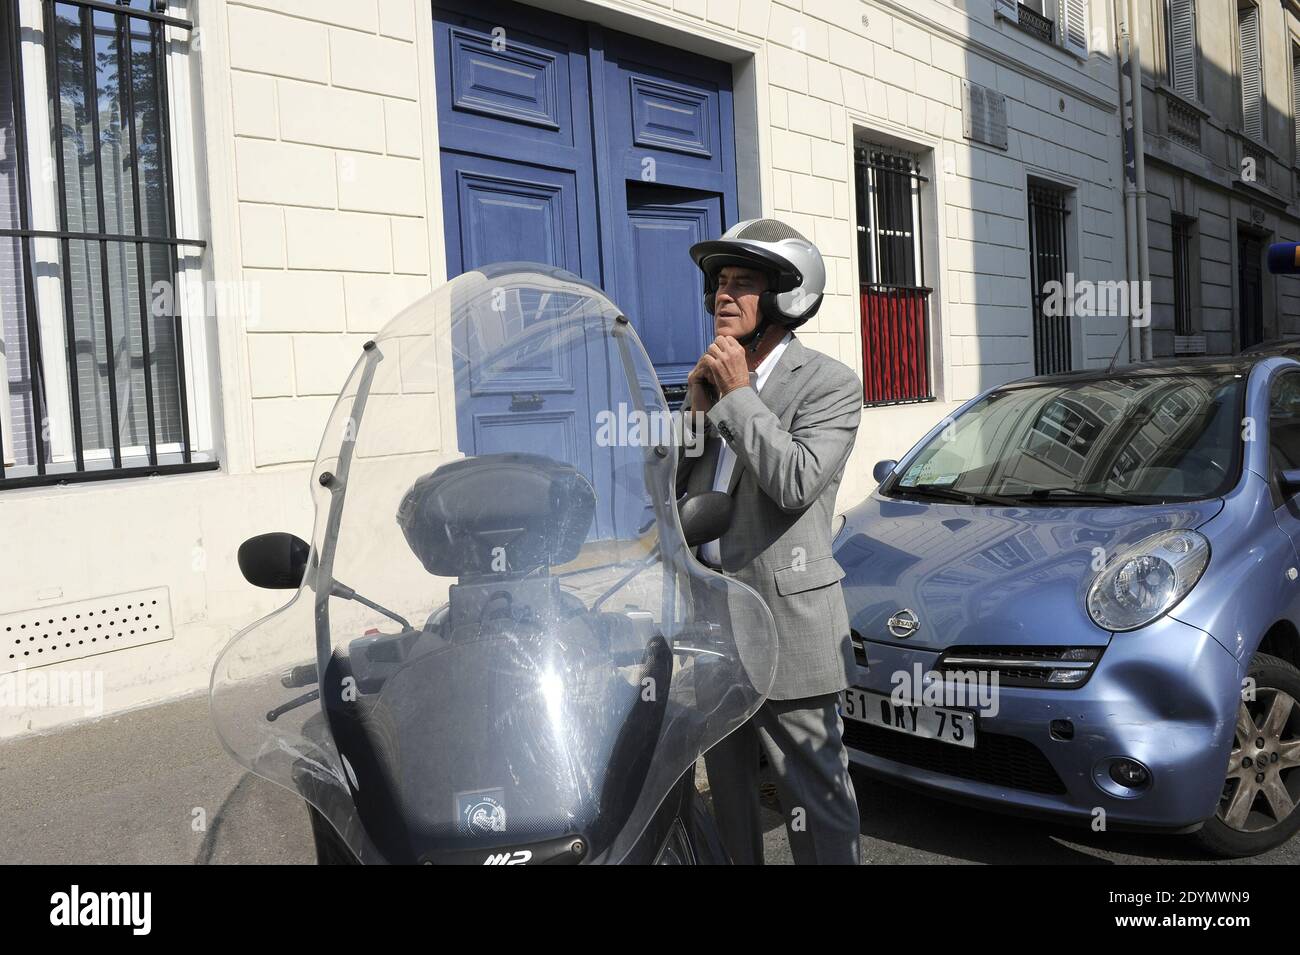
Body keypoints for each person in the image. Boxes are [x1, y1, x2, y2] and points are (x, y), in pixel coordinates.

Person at [680, 218, 863, 865]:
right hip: (715, 626)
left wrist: (735, 396)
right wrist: (695, 418)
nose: (724, 296)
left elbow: (793, 480)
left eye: (743, 283)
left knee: (814, 799)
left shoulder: (830, 383)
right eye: (719, 284)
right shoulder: (711, 381)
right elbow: (679, 494)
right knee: (727, 796)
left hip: (790, 624)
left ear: (786, 296)